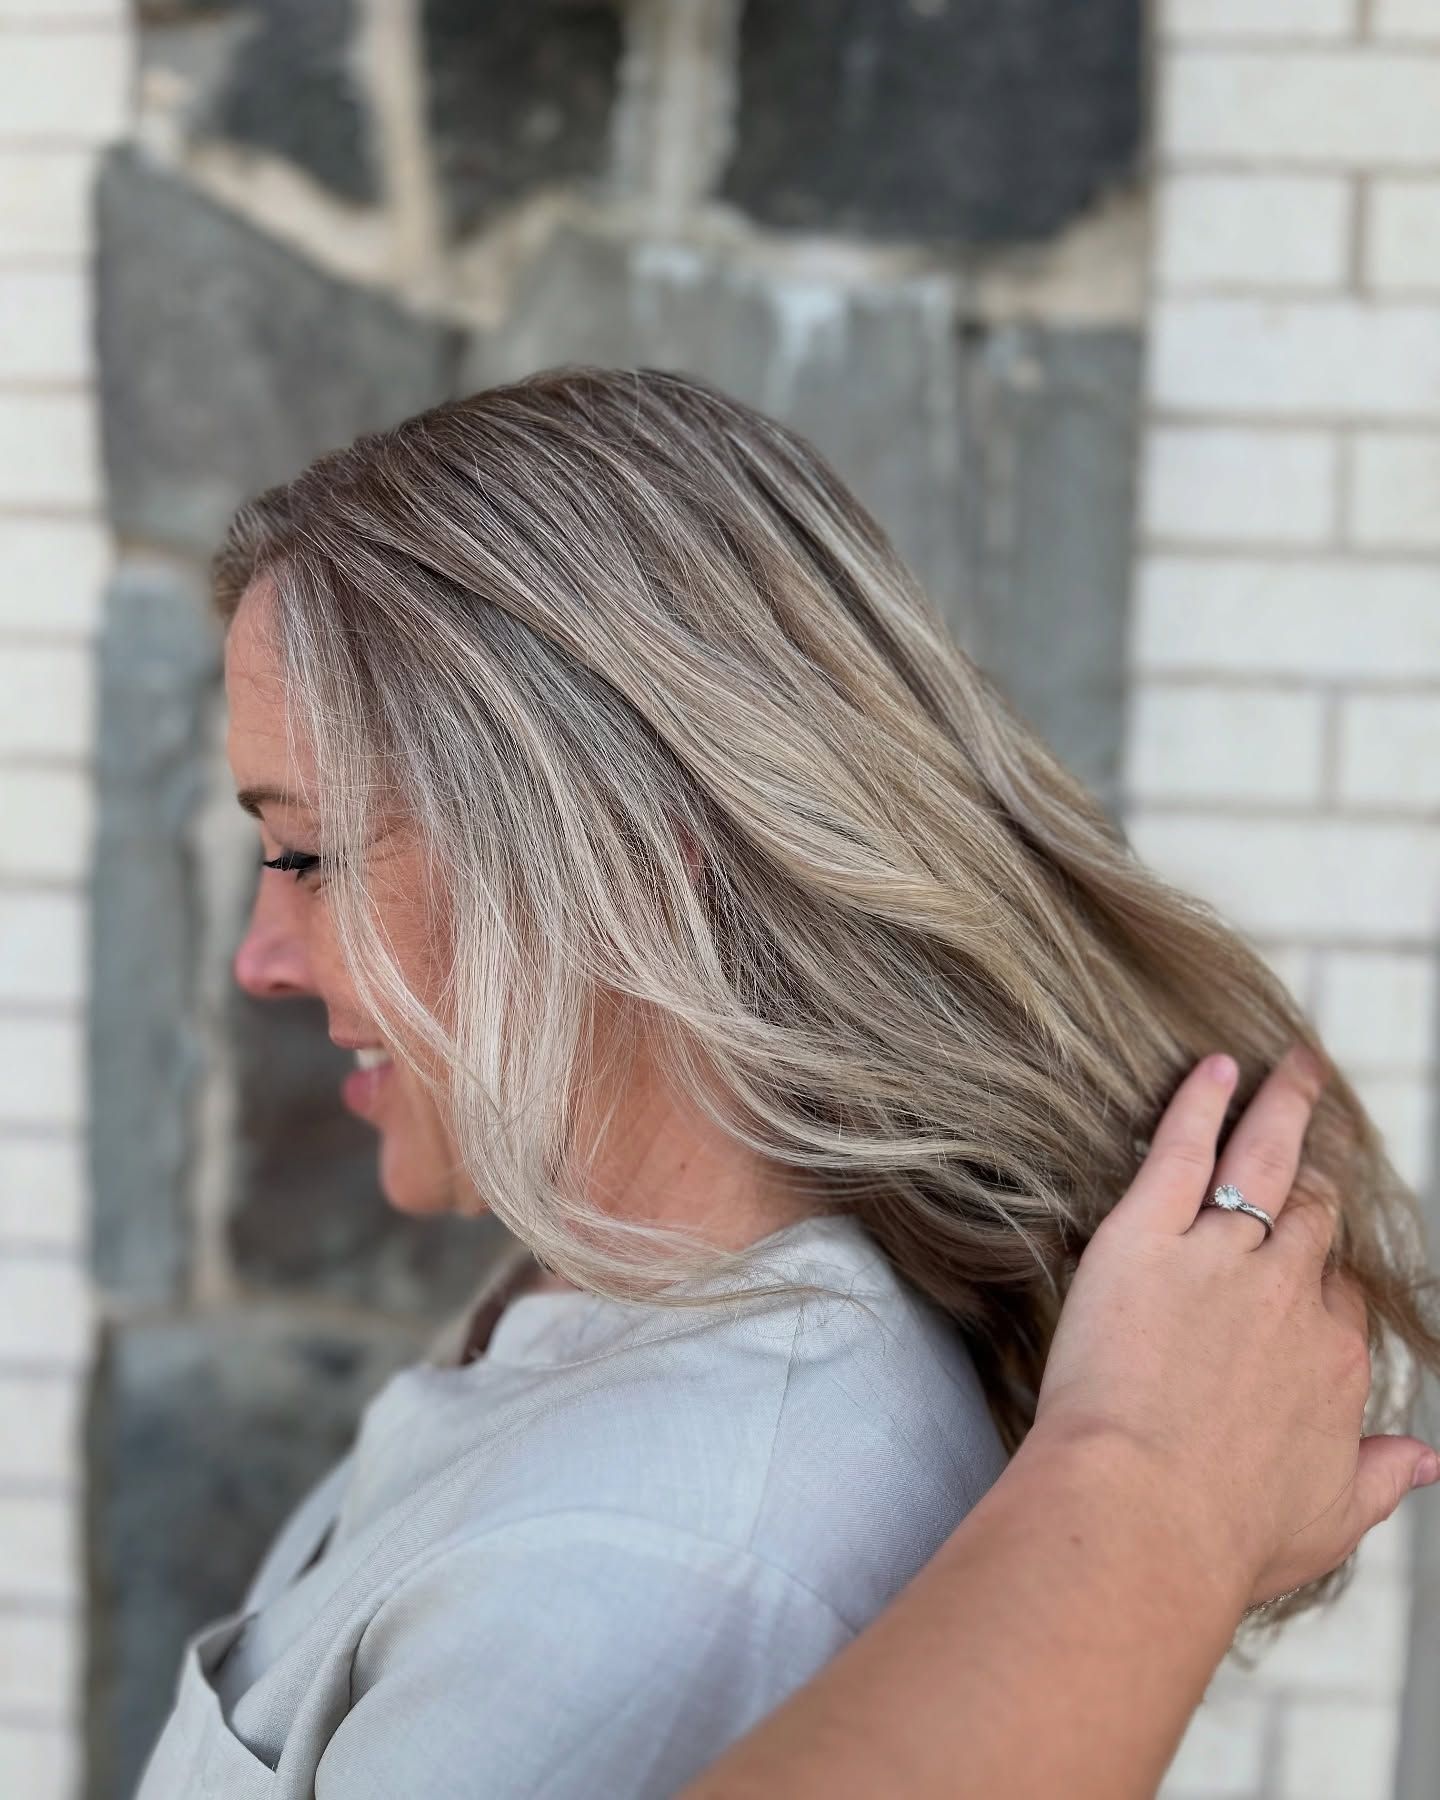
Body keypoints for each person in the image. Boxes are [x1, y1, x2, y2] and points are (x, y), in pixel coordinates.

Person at [134, 366, 1440, 1798]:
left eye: (310, 854)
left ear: (624, 849)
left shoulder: (663, 1560)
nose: (263, 959)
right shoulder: (616, 1318)